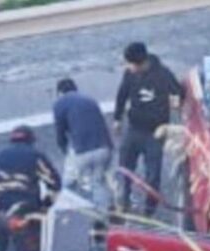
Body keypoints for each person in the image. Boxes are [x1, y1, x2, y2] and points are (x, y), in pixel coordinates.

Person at [113, 41, 183, 217]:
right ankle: (124, 200)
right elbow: (122, 94)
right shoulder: (129, 74)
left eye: (131, 64)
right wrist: (117, 118)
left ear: (141, 62)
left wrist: (175, 102)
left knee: (152, 175)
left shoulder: (163, 74)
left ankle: (148, 211)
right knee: (125, 167)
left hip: (155, 133)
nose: (128, 67)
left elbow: (179, 92)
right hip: (134, 128)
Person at [54, 77, 114, 213]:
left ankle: (66, 213)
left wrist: (64, 151)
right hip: (105, 148)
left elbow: (60, 133)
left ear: (59, 93)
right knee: (98, 182)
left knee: (69, 183)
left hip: (82, 150)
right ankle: (103, 215)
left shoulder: (60, 103)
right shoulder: (90, 100)